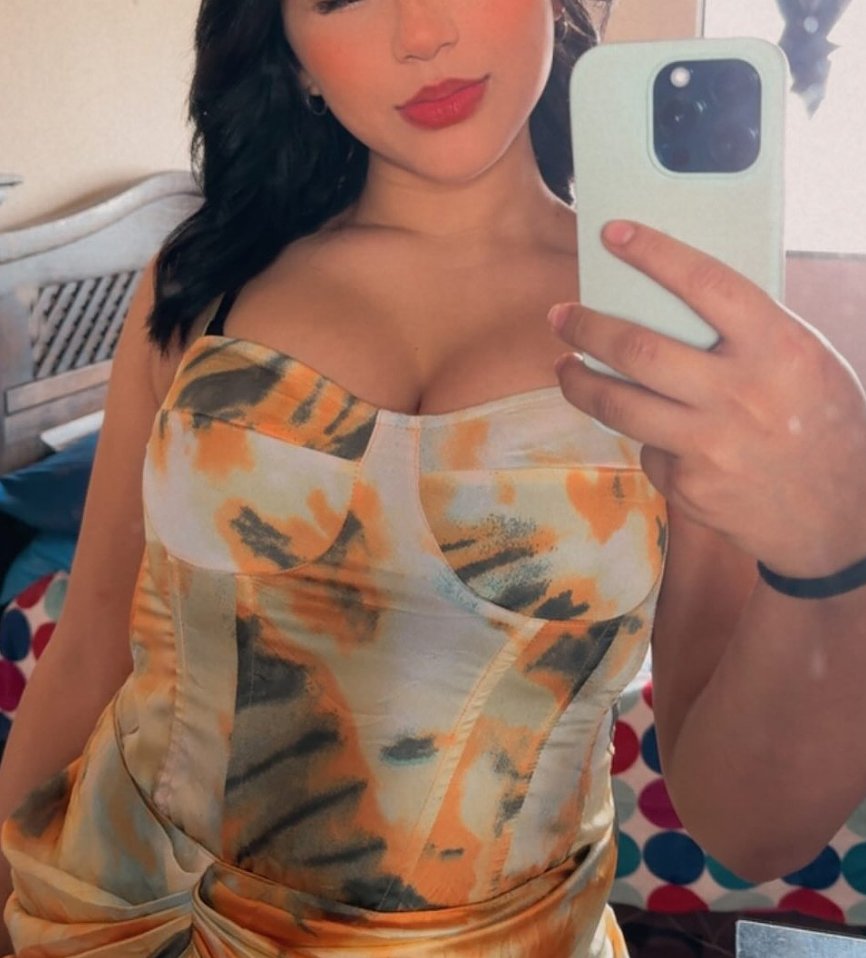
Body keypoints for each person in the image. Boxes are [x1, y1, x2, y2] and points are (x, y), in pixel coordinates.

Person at [1, 0, 866, 955]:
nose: (420, 33)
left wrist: (832, 555)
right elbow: (87, 652)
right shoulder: (200, 279)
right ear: (292, 55)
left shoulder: (673, 330)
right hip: (122, 917)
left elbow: (747, 831)